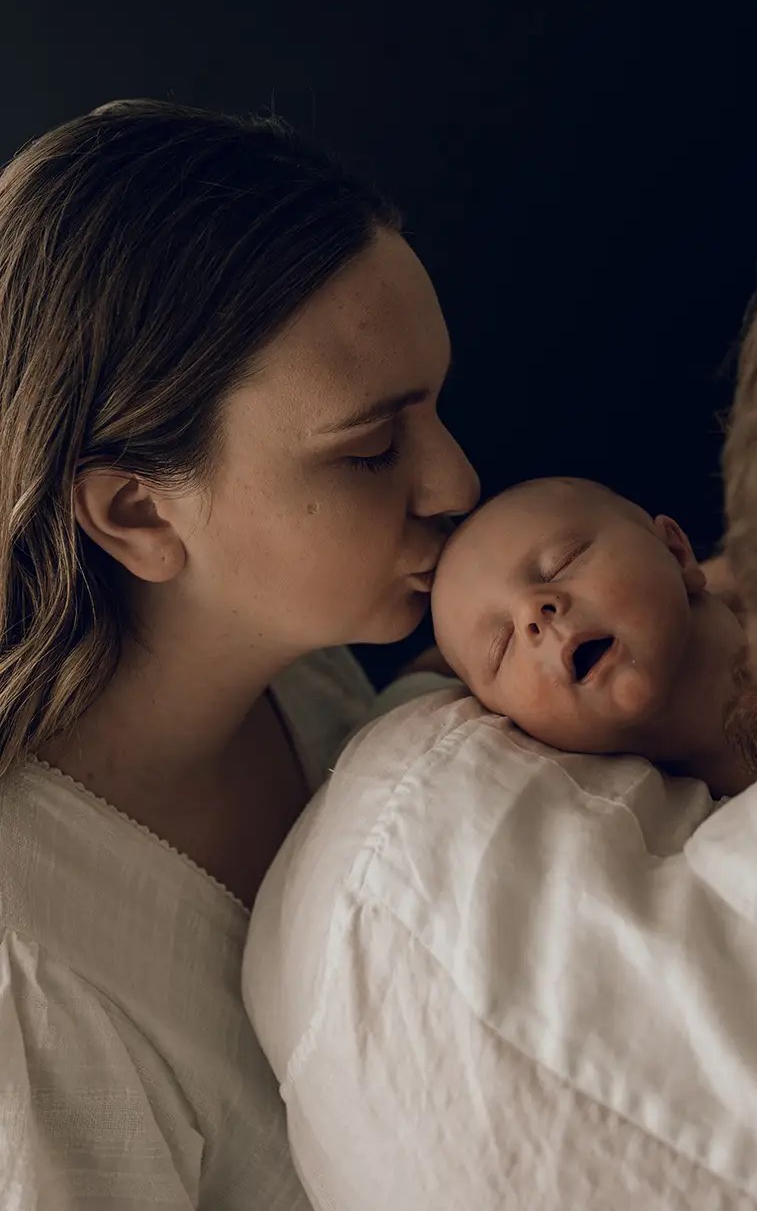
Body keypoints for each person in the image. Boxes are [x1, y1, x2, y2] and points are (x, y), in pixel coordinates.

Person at [244, 118, 757, 1210]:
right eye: (499, 642)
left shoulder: (392, 888)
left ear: (685, 547)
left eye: (560, 566)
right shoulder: (425, 846)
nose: (542, 611)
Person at [0, 99, 479, 1209]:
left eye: (438, 408)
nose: (457, 484)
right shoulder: (29, 982)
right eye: (370, 452)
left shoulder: (306, 667)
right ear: (136, 513)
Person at [429, 474, 757, 794]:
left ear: (676, 552)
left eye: (562, 563)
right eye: (501, 644)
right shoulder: (657, 839)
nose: (531, 613)